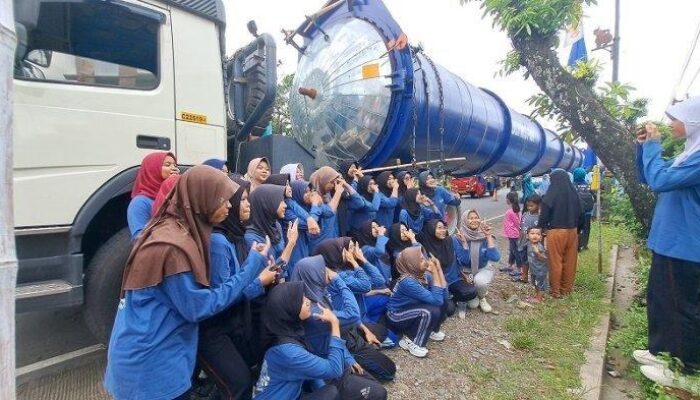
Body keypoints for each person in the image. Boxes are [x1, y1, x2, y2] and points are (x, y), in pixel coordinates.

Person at [104, 166, 271, 400]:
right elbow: (199, 307)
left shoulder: (177, 233)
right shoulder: (171, 248)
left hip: (157, 358)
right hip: (151, 367)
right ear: (202, 200)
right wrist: (252, 265)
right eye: (222, 199)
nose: (230, 205)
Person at [633, 97, 700, 390]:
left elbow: (660, 180)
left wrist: (652, 147)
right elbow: (649, 176)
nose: (670, 124)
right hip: (670, 242)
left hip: (686, 245)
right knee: (661, 298)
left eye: (676, 118)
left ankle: (687, 371)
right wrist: (642, 148)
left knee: (682, 307)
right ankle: (661, 353)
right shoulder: (688, 154)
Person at [198, 175, 280, 399]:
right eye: (242, 200)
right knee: (239, 383)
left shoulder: (236, 236)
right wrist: (259, 280)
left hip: (231, 322)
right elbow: (225, 295)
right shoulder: (219, 242)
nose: (247, 204)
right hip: (215, 327)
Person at [290, 256, 388, 399]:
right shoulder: (312, 311)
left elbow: (332, 336)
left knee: (376, 385)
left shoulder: (316, 295)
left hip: (339, 354)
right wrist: (338, 280)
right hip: (328, 369)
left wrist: (349, 359)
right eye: (321, 270)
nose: (326, 272)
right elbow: (353, 315)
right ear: (312, 276)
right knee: (378, 393)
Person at [312, 238, 396, 382]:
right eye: (349, 248)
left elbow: (377, 281)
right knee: (388, 370)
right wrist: (358, 261)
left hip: (353, 323)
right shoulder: (336, 277)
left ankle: (365, 342)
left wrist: (365, 329)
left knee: (387, 334)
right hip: (345, 332)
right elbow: (366, 285)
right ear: (334, 254)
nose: (353, 252)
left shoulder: (342, 270)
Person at [253, 282, 344, 400]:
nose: (308, 301)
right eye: (301, 301)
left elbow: (307, 369)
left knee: (326, 390)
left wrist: (321, 388)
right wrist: (334, 324)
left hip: (292, 393)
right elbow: (335, 369)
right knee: (330, 393)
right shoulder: (287, 351)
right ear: (288, 309)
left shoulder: (282, 331)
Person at [386, 246, 448, 358]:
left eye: (424, 257)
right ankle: (412, 341)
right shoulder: (408, 282)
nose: (426, 261)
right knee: (430, 311)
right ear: (411, 263)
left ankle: (431, 329)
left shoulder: (423, 275)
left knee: (443, 301)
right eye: (421, 259)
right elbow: (437, 301)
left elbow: (443, 294)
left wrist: (438, 270)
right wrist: (434, 272)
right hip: (396, 315)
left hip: (412, 309)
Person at [537, 169, 583, 299]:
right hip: (572, 231)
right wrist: (578, 230)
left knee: (555, 261)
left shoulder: (551, 194)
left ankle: (556, 291)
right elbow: (581, 213)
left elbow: (544, 215)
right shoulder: (574, 194)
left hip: (556, 232)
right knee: (570, 261)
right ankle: (567, 289)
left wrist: (541, 228)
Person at [417, 220, 472, 319]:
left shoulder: (451, 240)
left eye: (444, 227)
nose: (443, 230)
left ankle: (457, 299)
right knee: (449, 310)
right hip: (438, 283)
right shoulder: (425, 246)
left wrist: (464, 243)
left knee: (471, 291)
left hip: (454, 280)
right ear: (431, 229)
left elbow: (465, 260)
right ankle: (450, 300)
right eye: (439, 228)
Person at [244, 184, 300, 276]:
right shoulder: (251, 239)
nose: (285, 205)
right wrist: (291, 244)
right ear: (266, 204)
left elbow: (282, 269)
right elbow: (270, 274)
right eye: (280, 201)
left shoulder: (275, 226)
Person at [127, 151, 178, 241]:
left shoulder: (175, 195)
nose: (173, 168)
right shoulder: (140, 203)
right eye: (167, 165)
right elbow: (139, 238)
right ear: (152, 170)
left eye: (174, 165)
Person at [459, 209, 500, 314]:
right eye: (470, 218)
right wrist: (464, 244)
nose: (474, 220)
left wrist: (488, 236)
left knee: (480, 282)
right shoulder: (458, 237)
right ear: (464, 220)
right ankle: (474, 293)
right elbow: (462, 261)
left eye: (476, 217)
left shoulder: (483, 236)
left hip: (482, 268)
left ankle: (481, 297)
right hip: (465, 272)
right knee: (472, 305)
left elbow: (495, 257)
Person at [516, 194, 542, 283]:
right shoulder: (525, 214)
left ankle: (537, 279)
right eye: (528, 206)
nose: (529, 208)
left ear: (539, 205)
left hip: (533, 244)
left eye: (532, 206)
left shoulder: (540, 217)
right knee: (524, 260)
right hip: (523, 242)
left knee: (534, 261)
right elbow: (521, 227)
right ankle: (524, 276)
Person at [573, 167, 594, 251]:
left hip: (576, 212)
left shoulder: (572, 185)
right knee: (586, 228)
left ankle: (577, 246)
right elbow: (594, 197)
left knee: (576, 229)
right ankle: (585, 245)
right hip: (587, 212)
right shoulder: (588, 185)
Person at [502, 192, 523, 279]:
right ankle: (510, 266)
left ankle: (519, 269)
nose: (505, 199)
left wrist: (519, 232)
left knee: (516, 252)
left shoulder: (511, 211)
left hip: (513, 235)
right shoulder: (515, 210)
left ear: (509, 199)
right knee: (512, 250)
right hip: (512, 234)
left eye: (506, 198)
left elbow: (518, 223)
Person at [526, 226, 548, 303]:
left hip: (540, 271)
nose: (535, 235)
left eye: (538, 234)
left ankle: (539, 299)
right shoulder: (529, 244)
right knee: (535, 283)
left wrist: (537, 253)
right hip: (533, 270)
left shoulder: (539, 247)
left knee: (540, 284)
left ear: (541, 237)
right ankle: (537, 294)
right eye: (532, 233)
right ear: (527, 236)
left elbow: (545, 258)